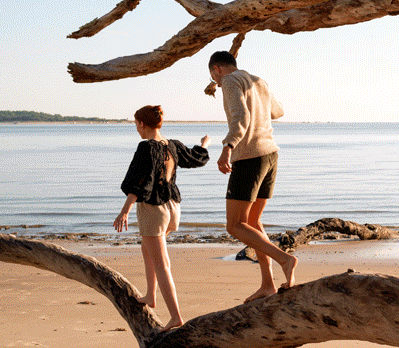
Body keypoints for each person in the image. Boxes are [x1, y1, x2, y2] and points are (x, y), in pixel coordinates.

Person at [208, 50, 297, 302]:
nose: (216, 84)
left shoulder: (229, 80)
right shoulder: (258, 81)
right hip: (270, 155)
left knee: (235, 225)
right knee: (254, 223)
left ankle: (285, 259)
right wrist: (258, 101)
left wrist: (228, 147)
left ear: (216, 69)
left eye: (214, 78)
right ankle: (268, 284)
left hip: (249, 157)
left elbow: (240, 117)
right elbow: (278, 111)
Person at [114, 105, 210, 330]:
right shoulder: (172, 145)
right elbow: (195, 158)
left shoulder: (146, 147)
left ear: (142, 124)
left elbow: (140, 181)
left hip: (154, 209)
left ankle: (176, 316)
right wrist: (204, 144)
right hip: (173, 207)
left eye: (136, 124)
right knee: (146, 247)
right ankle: (150, 295)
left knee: (162, 265)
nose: (136, 128)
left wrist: (125, 210)